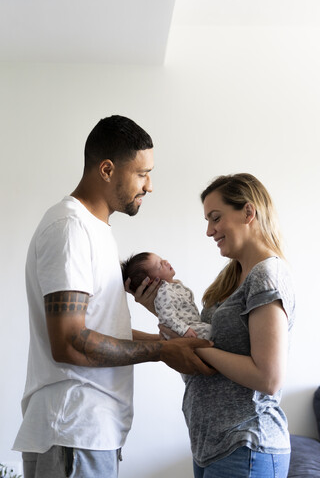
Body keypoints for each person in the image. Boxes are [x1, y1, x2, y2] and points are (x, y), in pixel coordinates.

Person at [13, 115, 213, 478]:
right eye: (142, 173)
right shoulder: (70, 228)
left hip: (87, 433)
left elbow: (97, 328)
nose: (149, 186)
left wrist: (171, 341)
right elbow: (70, 343)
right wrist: (163, 351)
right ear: (107, 169)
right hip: (73, 429)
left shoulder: (96, 231)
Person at [131, 173, 295, 478]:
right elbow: (195, 359)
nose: (209, 230)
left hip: (247, 445)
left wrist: (197, 348)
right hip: (212, 445)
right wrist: (159, 311)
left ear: (248, 212)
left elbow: (268, 377)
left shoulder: (266, 276)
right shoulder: (229, 281)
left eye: (215, 218)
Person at [121, 252, 212, 339]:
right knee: (210, 330)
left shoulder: (174, 286)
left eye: (162, 259)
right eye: (160, 265)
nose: (165, 261)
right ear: (151, 281)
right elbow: (167, 317)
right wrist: (184, 330)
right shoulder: (164, 291)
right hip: (186, 329)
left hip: (191, 326)